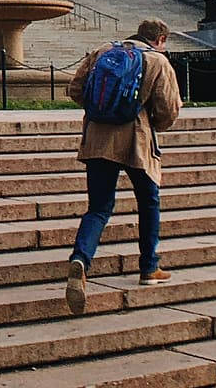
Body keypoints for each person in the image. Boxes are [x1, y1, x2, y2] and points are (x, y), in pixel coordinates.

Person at [64, 18, 182, 314]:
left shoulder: (103, 50)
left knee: (99, 207)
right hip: (137, 140)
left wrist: (100, 112)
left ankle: (80, 259)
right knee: (148, 202)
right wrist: (149, 121)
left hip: (97, 139)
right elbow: (169, 109)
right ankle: (149, 267)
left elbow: (75, 88)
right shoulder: (157, 61)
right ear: (161, 38)